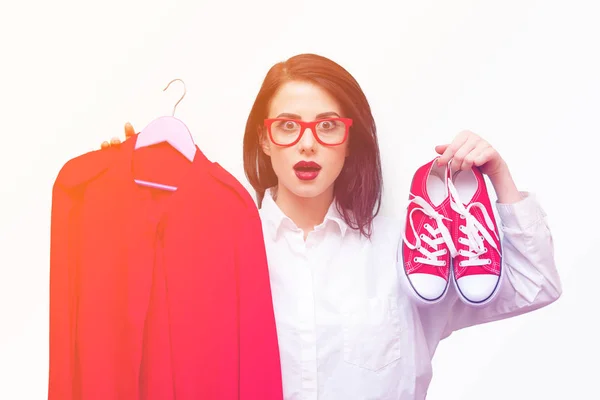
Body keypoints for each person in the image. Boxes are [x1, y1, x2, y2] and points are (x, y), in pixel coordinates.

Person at [102, 53, 562, 399]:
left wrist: (499, 174)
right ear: (264, 139)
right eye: (287, 126)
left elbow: (534, 283)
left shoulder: (409, 252)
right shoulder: (219, 253)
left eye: (327, 126)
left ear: (349, 140)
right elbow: (137, 341)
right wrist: (130, 196)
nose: (307, 145)